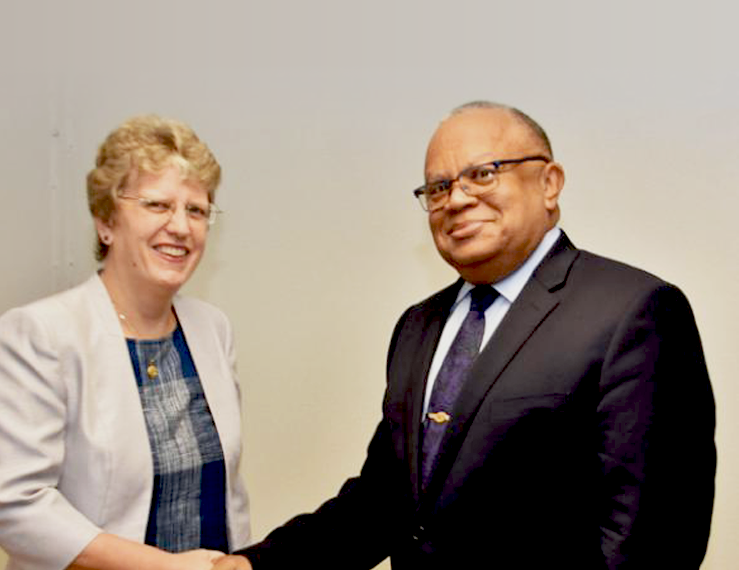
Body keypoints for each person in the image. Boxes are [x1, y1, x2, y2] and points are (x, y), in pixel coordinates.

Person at [214, 101, 716, 569]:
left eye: (482, 174)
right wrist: (253, 565)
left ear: (549, 183)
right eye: (437, 188)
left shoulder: (634, 312)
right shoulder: (418, 326)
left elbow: (651, 542)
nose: (456, 199)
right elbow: (385, 503)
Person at [0, 115, 251, 570]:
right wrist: (168, 568)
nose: (181, 227)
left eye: (196, 210)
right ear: (106, 221)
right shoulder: (39, 334)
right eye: (158, 205)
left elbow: (229, 494)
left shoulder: (212, 329)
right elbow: (14, 506)